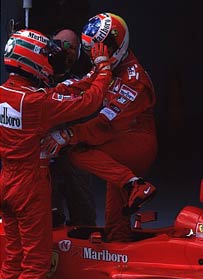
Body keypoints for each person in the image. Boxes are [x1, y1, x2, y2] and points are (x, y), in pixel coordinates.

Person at [0, 28, 112, 279]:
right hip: (29, 186)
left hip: (6, 181)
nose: (50, 60)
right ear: (33, 59)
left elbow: (56, 93)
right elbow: (90, 102)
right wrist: (103, 68)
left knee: (12, 258)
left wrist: (83, 81)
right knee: (35, 263)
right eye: (45, 55)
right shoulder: (37, 104)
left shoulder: (7, 93)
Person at [42, 13, 158, 242]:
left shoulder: (135, 80)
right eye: (92, 51)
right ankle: (130, 194)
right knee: (115, 221)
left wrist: (68, 134)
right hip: (119, 141)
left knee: (77, 152)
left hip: (136, 143)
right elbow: (81, 85)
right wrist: (46, 95)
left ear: (114, 44)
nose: (96, 56)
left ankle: (135, 184)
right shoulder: (109, 66)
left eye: (99, 49)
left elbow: (104, 124)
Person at [50, 29, 97, 227]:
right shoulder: (40, 71)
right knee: (48, 204)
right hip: (46, 145)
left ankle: (85, 233)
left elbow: (92, 99)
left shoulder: (84, 73)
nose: (67, 53)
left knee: (81, 202)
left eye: (72, 49)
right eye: (63, 47)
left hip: (73, 143)